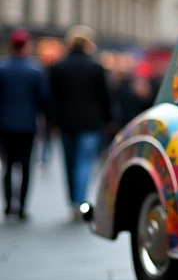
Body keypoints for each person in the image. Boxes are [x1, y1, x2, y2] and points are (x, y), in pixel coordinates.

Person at [49, 26, 112, 219]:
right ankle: (80, 202)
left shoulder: (59, 67)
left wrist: (52, 121)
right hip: (90, 122)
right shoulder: (95, 67)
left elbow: (52, 97)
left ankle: (73, 202)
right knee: (84, 161)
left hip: (66, 121)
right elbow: (104, 97)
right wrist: (109, 119)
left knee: (69, 162)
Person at [0, 30, 49, 219]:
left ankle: (7, 204)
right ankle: (21, 206)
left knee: (8, 165)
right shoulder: (34, 70)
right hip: (27, 126)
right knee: (26, 166)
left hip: (5, 125)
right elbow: (43, 99)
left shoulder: (3, 69)